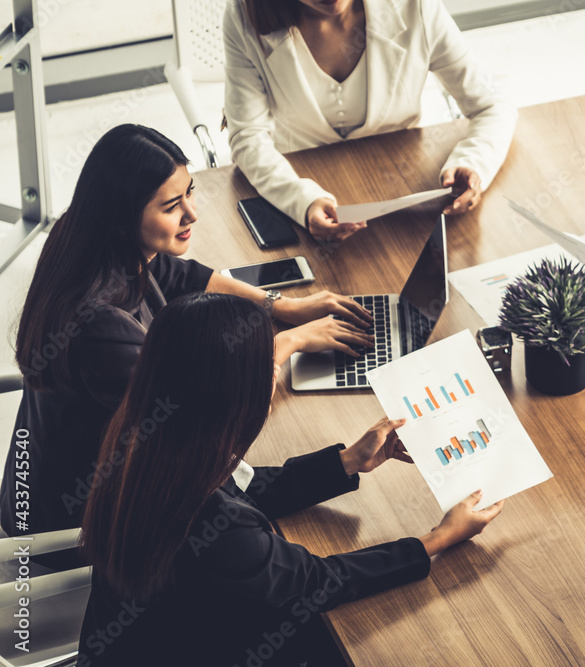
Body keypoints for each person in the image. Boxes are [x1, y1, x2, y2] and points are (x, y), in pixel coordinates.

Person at [77, 292, 503, 665]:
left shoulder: (148, 444)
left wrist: (348, 461)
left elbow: (241, 490)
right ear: (234, 395)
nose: (275, 376)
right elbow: (317, 583)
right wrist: (438, 539)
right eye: (267, 367)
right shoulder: (216, 524)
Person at [0, 124, 376, 542]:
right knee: (270, 545)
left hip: (62, 476)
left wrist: (281, 306)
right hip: (82, 523)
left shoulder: (91, 239)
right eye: (171, 206)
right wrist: (289, 341)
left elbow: (183, 275)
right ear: (124, 217)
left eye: (190, 193)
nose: (192, 214)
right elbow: (216, 418)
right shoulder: (100, 328)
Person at [223, 0, 518, 241]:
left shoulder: (415, 6)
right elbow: (248, 137)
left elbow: (492, 103)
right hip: (299, 188)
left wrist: (473, 161)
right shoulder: (242, 15)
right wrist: (302, 201)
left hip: (405, 197)